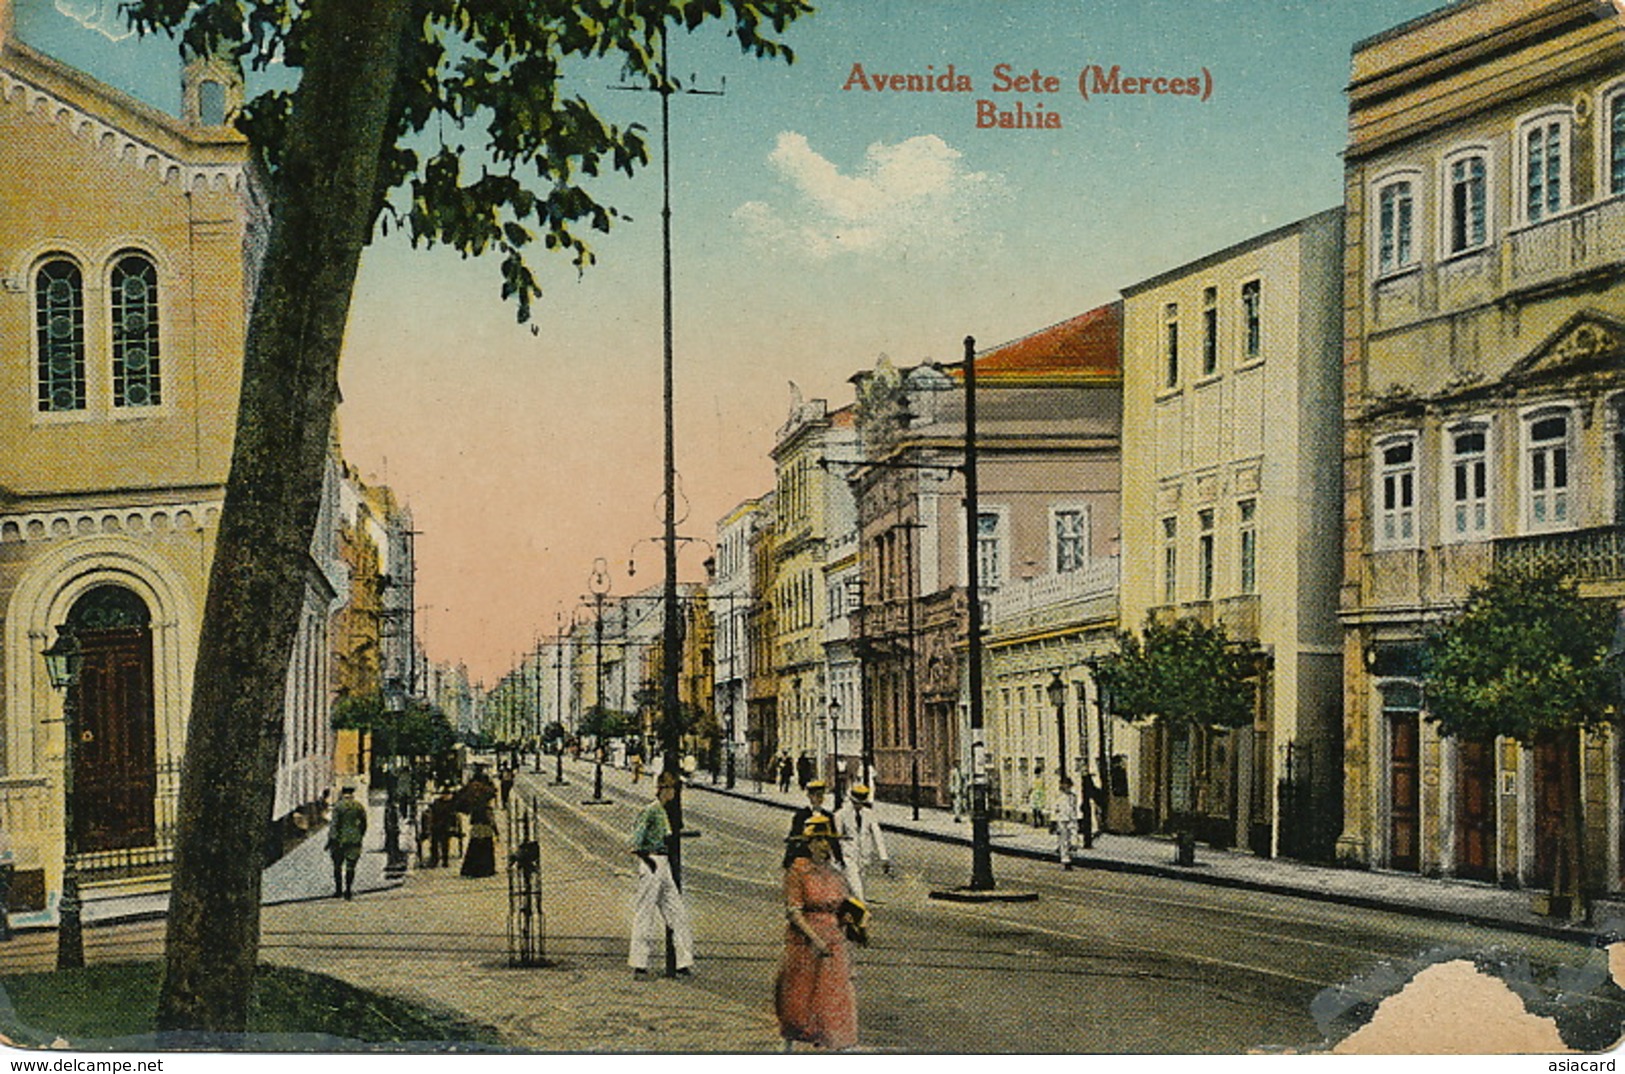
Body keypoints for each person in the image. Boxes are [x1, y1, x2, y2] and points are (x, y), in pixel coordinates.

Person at [775, 815, 859, 1051]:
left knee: (834, 996)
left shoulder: (835, 874)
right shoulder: (798, 871)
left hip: (834, 940)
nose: (823, 845)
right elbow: (794, 912)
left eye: (827, 840)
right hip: (805, 942)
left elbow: (844, 906)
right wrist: (815, 939)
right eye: (818, 840)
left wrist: (851, 920)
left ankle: (839, 1046)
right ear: (808, 844)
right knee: (800, 999)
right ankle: (790, 1048)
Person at [628, 771, 695, 978]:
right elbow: (635, 842)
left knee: (677, 912)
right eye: (673, 788)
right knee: (645, 913)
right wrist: (649, 862)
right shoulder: (650, 811)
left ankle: (683, 961)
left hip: (662, 863)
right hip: (653, 862)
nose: (675, 793)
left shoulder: (664, 811)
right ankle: (639, 964)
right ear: (663, 789)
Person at [834, 785, 891, 902]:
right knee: (857, 889)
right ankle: (861, 909)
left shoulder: (869, 814)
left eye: (860, 803)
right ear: (850, 800)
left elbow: (877, 835)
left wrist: (884, 857)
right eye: (855, 803)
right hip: (848, 856)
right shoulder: (841, 815)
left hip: (864, 856)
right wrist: (836, 859)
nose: (858, 806)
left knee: (857, 886)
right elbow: (836, 838)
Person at [784, 779, 843, 869]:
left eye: (821, 796)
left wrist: (839, 859)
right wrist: (788, 859)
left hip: (822, 859)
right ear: (809, 796)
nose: (819, 799)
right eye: (816, 795)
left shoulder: (828, 816)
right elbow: (794, 838)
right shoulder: (801, 816)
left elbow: (833, 839)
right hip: (805, 858)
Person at [327, 784, 368, 900]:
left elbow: (334, 825)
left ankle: (338, 890)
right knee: (351, 866)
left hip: (340, 840)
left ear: (342, 793)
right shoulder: (358, 806)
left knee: (337, 865)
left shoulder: (338, 807)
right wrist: (359, 834)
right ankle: (348, 890)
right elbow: (364, 823)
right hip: (354, 839)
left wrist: (331, 839)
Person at [456, 767, 498, 878]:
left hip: (475, 818)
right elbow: (493, 793)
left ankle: (471, 869)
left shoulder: (471, 788)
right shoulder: (485, 790)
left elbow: (460, 799)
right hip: (484, 818)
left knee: (474, 844)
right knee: (486, 845)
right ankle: (486, 869)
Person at [426, 785, 458, 867]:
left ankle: (444, 860)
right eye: (446, 794)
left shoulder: (451, 804)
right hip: (437, 825)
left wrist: (453, 826)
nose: (447, 796)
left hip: (446, 826)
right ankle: (434, 859)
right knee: (434, 843)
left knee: (445, 843)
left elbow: (453, 817)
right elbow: (431, 813)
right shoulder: (437, 802)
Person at [1055, 775, 1080, 870]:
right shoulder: (1059, 796)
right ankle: (1066, 861)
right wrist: (1054, 821)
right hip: (1062, 820)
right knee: (1064, 841)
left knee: (1074, 839)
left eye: (1069, 785)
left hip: (1072, 819)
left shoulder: (1073, 796)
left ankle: (1070, 854)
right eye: (1065, 785)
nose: (1067, 787)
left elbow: (1074, 808)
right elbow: (1056, 808)